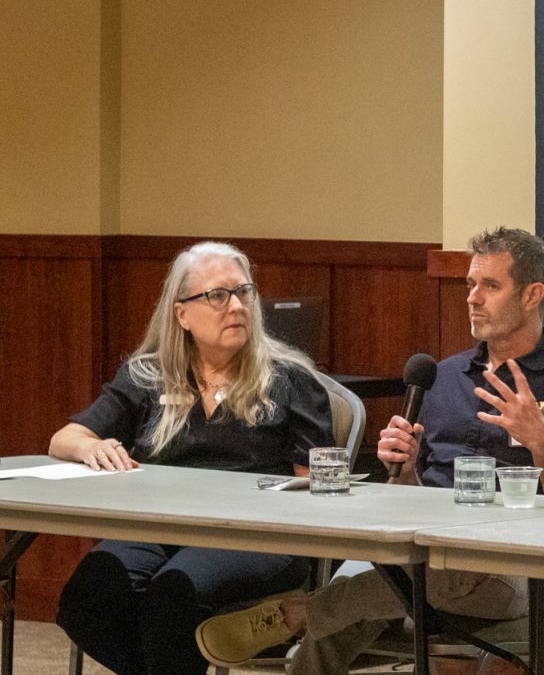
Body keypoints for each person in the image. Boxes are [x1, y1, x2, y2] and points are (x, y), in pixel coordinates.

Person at [195, 226, 544, 674]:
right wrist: (406, 467)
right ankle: (304, 638)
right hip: (430, 546)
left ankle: (295, 614)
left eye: (490, 286)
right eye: (470, 285)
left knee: (395, 579)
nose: (473, 298)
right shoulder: (444, 376)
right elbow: (414, 491)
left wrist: (543, 444)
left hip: (521, 568)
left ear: (534, 295)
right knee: (372, 579)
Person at [52, 241, 334, 675]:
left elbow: (320, 487)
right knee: (88, 597)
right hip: (160, 525)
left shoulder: (290, 380)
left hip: (257, 536)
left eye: (244, 292)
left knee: (173, 597)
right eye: (217, 296)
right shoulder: (148, 374)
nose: (236, 306)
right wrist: (91, 446)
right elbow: (64, 438)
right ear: (182, 313)